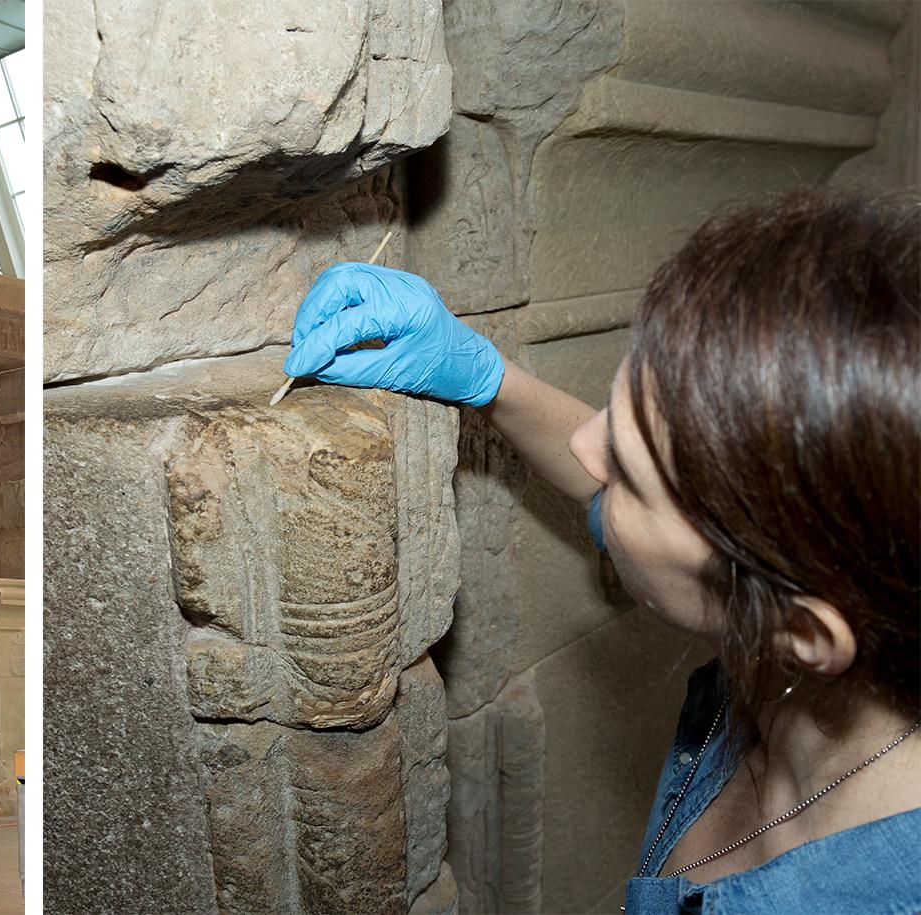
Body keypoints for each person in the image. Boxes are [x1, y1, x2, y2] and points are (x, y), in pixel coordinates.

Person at [283, 187, 918, 912]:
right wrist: (487, 377)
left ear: (799, 628)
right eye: (619, 410)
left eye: (628, 475)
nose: (588, 445)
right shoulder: (825, 641)